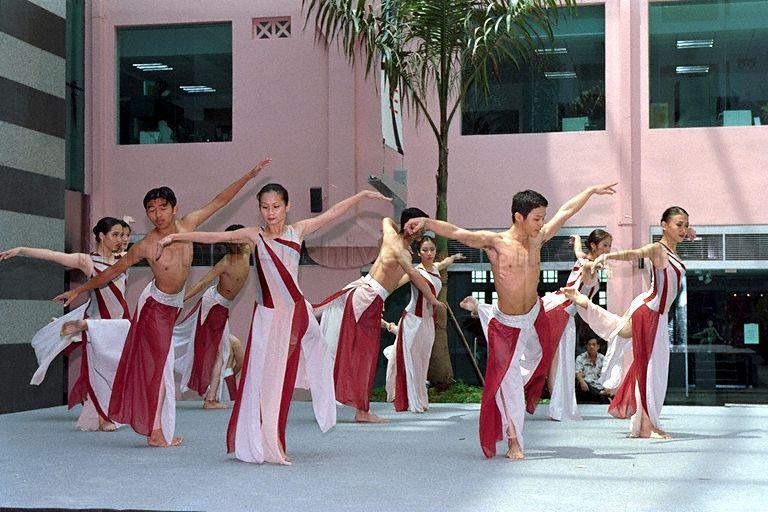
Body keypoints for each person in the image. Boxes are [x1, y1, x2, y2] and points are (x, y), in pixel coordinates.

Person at [157, 185, 390, 464]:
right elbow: (214, 236)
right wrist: (175, 237)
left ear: (287, 206)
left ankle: (283, 433)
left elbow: (332, 214)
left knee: (295, 372)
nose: (271, 213)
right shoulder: (253, 235)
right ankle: (269, 440)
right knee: (266, 381)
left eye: (276, 206)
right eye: (265, 207)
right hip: (267, 319)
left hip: (294, 314)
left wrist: (361, 196)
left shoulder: (298, 231)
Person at [54, 158, 272, 447]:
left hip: (172, 307)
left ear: (174, 208)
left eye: (162, 208)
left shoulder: (189, 226)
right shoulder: (145, 245)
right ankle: (155, 432)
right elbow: (112, 271)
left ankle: (155, 427)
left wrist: (250, 174)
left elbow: (220, 200)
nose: (157, 214)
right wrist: (77, 292)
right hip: (155, 308)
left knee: (159, 367)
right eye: (151, 210)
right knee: (156, 368)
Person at [405, 183, 616, 459]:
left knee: (542, 359)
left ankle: (483, 314)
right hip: (508, 323)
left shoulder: (537, 239)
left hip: (536, 315)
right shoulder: (496, 244)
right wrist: (427, 222)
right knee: (508, 381)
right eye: (537, 218)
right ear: (519, 216)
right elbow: (459, 233)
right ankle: (513, 438)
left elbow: (565, 212)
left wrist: (590, 191)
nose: (542, 224)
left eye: (542, 218)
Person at [561, 206, 692, 439]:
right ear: (663, 225)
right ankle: (648, 425)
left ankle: (645, 423)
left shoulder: (674, 248)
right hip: (650, 311)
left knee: (633, 346)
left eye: (685, 224)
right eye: (678, 224)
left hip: (657, 315)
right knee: (651, 369)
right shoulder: (657, 249)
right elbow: (633, 253)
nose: (682, 229)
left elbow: (685, 232)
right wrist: (607, 256)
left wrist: (689, 231)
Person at [314, 207, 444, 424]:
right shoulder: (400, 251)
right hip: (368, 297)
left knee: (362, 353)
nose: (421, 229)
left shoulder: (394, 238)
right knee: (364, 355)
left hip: (370, 296)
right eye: (418, 225)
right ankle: (361, 411)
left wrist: (399, 227)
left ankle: (359, 409)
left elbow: (385, 218)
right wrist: (433, 300)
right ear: (409, 226)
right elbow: (414, 276)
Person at [1, 217, 129, 432]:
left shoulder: (124, 259)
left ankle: (113, 410)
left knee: (119, 369)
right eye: (115, 235)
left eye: (122, 235)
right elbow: (53, 256)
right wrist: (22, 249)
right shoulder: (88, 261)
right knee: (98, 370)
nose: (120, 240)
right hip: (96, 323)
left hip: (119, 324)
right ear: (101, 236)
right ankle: (103, 416)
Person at [382, 236, 464, 412]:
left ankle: (419, 398)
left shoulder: (435, 267)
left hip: (428, 321)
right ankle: (411, 401)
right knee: (412, 361)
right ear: (419, 253)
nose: (429, 253)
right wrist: (378, 297)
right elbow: (394, 285)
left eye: (432, 250)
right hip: (413, 320)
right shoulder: (415, 272)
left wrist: (455, 257)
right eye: (425, 250)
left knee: (423, 361)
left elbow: (445, 262)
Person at [173, 224, 251, 409]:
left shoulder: (248, 250)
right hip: (214, 304)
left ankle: (211, 398)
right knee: (221, 352)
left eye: (239, 238)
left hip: (223, 306)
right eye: (232, 239)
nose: (237, 242)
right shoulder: (225, 262)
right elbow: (202, 282)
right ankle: (211, 399)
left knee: (222, 353)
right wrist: (180, 300)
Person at [543, 229, 612, 421]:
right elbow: (587, 267)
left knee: (556, 362)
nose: (608, 250)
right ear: (594, 246)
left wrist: (577, 239)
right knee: (559, 362)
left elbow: (578, 253)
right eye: (605, 246)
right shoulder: (588, 266)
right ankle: (558, 408)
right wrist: (603, 268)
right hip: (560, 312)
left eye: (609, 246)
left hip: (560, 311)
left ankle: (557, 407)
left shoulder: (584, 258)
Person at [575, 337, 609, 403]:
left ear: (598, 346)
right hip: (586, 386)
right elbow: (578, 373)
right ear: (586, 346)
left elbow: (606, 375)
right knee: (580, 384)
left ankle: (600, 394)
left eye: (594, 344)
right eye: (589, 344)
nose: (591, 346)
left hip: (598, 386)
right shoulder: (581, 358)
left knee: (605, 398)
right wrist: (582, 381)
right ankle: (600, 394)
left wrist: (607, 387)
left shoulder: (602, 358)